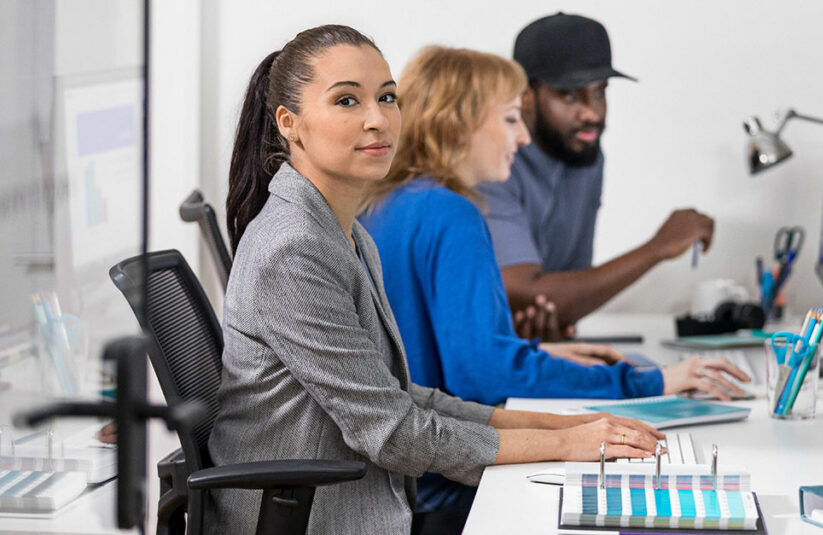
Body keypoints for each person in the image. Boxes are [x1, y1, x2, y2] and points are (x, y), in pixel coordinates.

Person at [210, 25, 666, 535]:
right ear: (290, 124)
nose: (377, 119)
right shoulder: (294, 249)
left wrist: (569, 427)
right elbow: (396, 431)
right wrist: (565, 443)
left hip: (368, 497)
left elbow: (402, 395)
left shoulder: (347, 231)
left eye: (387, 97)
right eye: (346, 101)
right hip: (326, 519)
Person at [358, 45, 750, 523]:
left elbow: (450, 355)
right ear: (457, 124)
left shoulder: (390, 201)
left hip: (404, 479)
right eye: (509, 120)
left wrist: (540, 352)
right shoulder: (451, 214)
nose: (523, 138)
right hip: (444, 490)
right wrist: (653, 380)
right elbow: (485, 376)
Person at [477, 12, 716, 340]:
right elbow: (520, 293)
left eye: (600, 92)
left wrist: (558, 314)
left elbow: (567, 293)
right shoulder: (492, 161)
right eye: (570, 95)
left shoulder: (584, 154)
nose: (593, 112)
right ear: (525, 94)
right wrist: (657, 248)